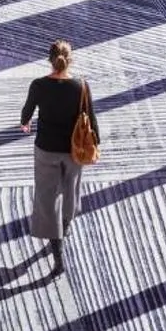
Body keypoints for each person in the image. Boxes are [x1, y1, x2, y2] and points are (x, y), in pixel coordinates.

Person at [19, 39, 97, 274]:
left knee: (47, 198)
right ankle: (66, 224)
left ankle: (58, 256)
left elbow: (26, 113)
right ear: (69, 60)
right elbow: (91, 118)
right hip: (74, 150)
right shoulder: (81, 86)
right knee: (71, 189)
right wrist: (97, 146)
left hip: (46, 150)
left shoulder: (39, 85)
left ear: (50, 60)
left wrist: (25, 123)